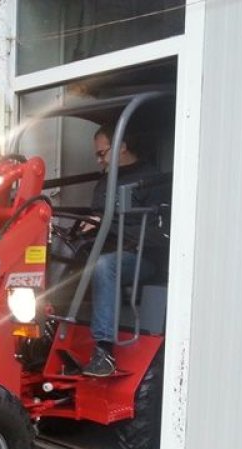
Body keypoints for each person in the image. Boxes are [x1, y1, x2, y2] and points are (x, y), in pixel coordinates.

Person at [81, 124, 168, 377]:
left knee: (105, 266)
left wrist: (109, 225)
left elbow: (158, 233)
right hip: (109, 249)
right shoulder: (105, 182)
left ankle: (104, 351)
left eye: (102, 153)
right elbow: (98, 218)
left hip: (142, 257)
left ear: (122, 147)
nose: (99, 160)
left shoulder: (152, 181)